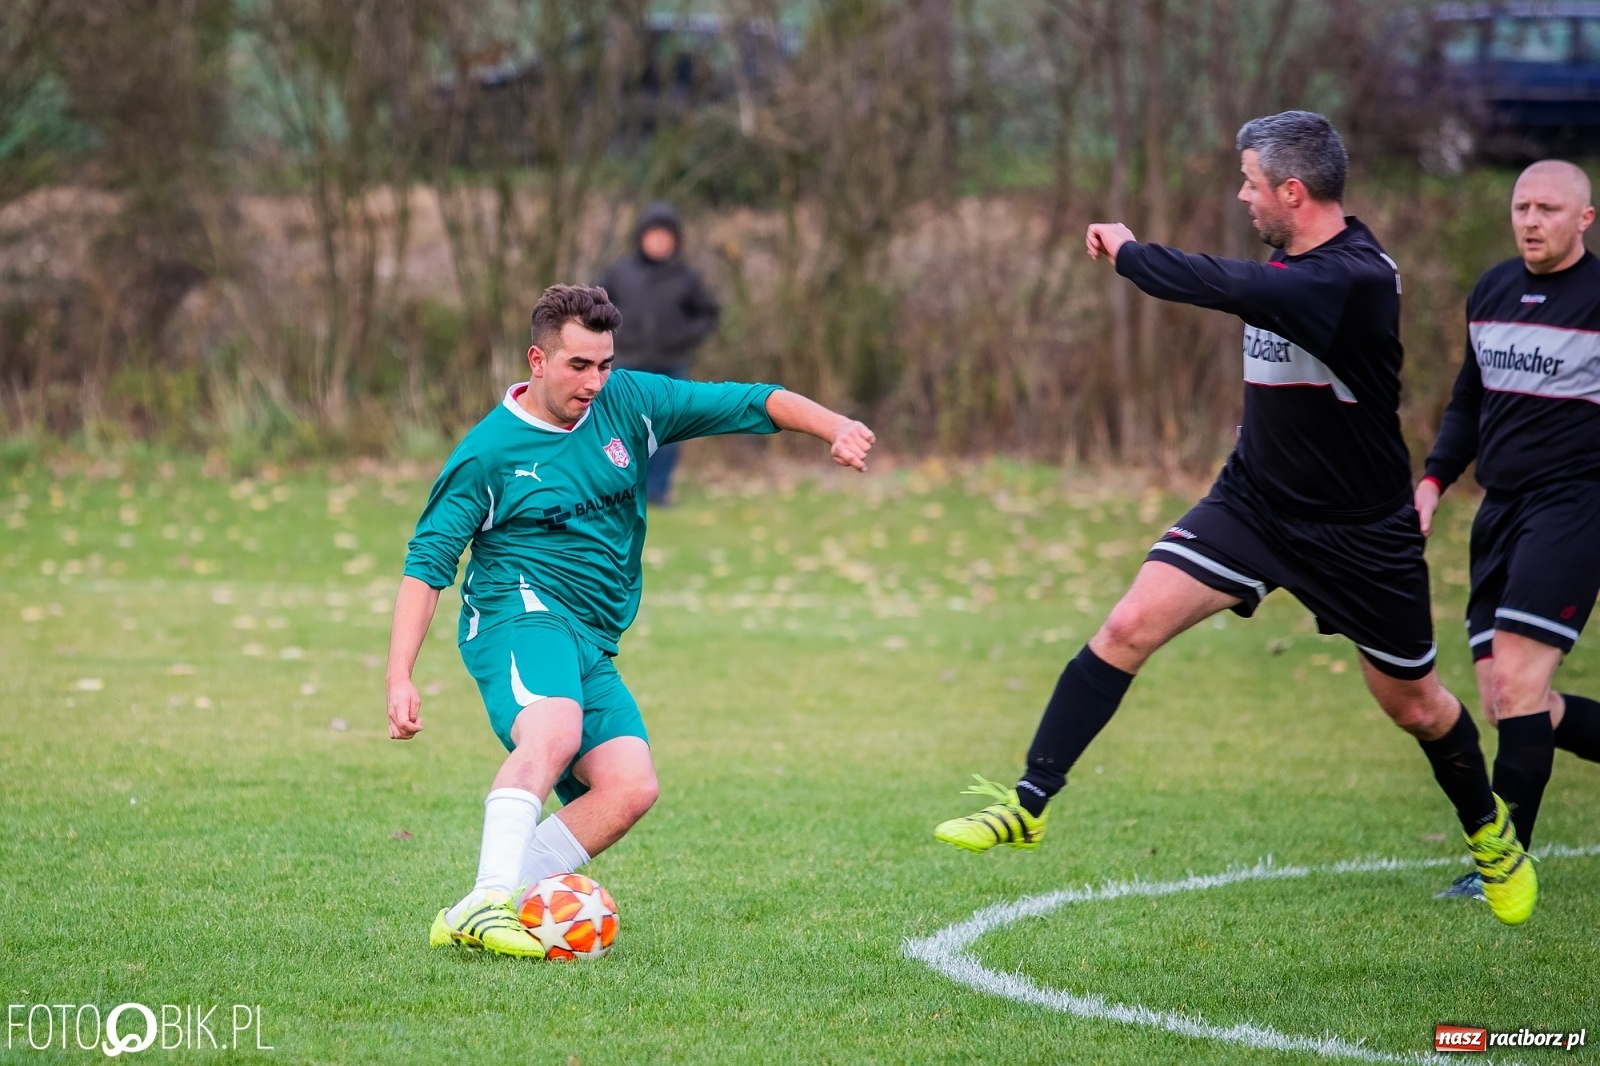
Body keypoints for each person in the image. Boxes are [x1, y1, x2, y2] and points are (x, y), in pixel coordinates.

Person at [932, 110, 1537, 926]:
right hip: (1252, 504)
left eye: (1251, 183)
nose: (1240, 196)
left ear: (1293, 190)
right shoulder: (1293, 261)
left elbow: (1236, 288)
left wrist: (1134, 255)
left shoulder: (1353, 278)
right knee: (1126, 626)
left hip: (1359, 533)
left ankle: (1492, 837)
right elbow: (1252, 287)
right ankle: (1029, 803)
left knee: (1417, 706)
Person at [387, 284, 874, 958]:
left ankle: (478, 905)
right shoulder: (489, 452)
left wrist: (835, 427)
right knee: (553, 733)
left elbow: (756, 400)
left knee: (629, 787)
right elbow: (428, 561)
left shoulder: (631, 402)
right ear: (537, 358)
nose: (594, 381)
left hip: (590, 635)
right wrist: (399, 676)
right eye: (578, 365)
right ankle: (492, 900)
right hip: (516, 615)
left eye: (604, 364)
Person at [1417, 160, 1600, 900]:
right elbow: (1468, 401)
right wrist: (1431, 481)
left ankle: (1505, 860)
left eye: (1548, 208)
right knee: (1509, 701)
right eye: (1521, 206)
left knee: (1522, 685)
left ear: (1584, 219)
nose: (1530, 220)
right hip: (1498, 512)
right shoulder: (1492, 289)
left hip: (1575, 507)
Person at [596, 202, 721, 506]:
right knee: (622, 430)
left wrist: (683, 336)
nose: (660, 242)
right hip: (626, 365)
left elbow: (709, 314)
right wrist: (609, 337)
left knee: (668, 433)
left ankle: (657, 490)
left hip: (670, 366)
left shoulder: (685, 277)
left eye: (667, 237)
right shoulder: (619, 272)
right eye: (655, 236)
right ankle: (623, 490)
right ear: (641, 237)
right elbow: (591, 306)